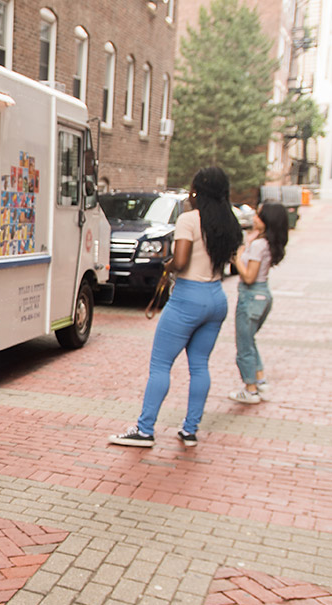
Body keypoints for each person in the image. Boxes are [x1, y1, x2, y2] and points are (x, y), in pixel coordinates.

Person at [109, 166, 242, 448]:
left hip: (188, 297)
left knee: (160, 364)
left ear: (197, 191)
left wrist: (167, 266)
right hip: (216, 298)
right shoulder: (228, 222)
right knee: (200, 366)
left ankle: (145, 430)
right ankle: (190, 430)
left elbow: (180, 260)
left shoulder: (189, 219)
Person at [228, 201, 288, 404]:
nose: (254, 218)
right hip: (263, 296)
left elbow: (248, 277)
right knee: (250, 340)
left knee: (244, 345)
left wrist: (236, 258)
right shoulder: (268, 242)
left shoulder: (259, 245)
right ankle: (260, 380)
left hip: (250, 296)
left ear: (267, 221)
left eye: (259, 216)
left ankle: (250, 389)